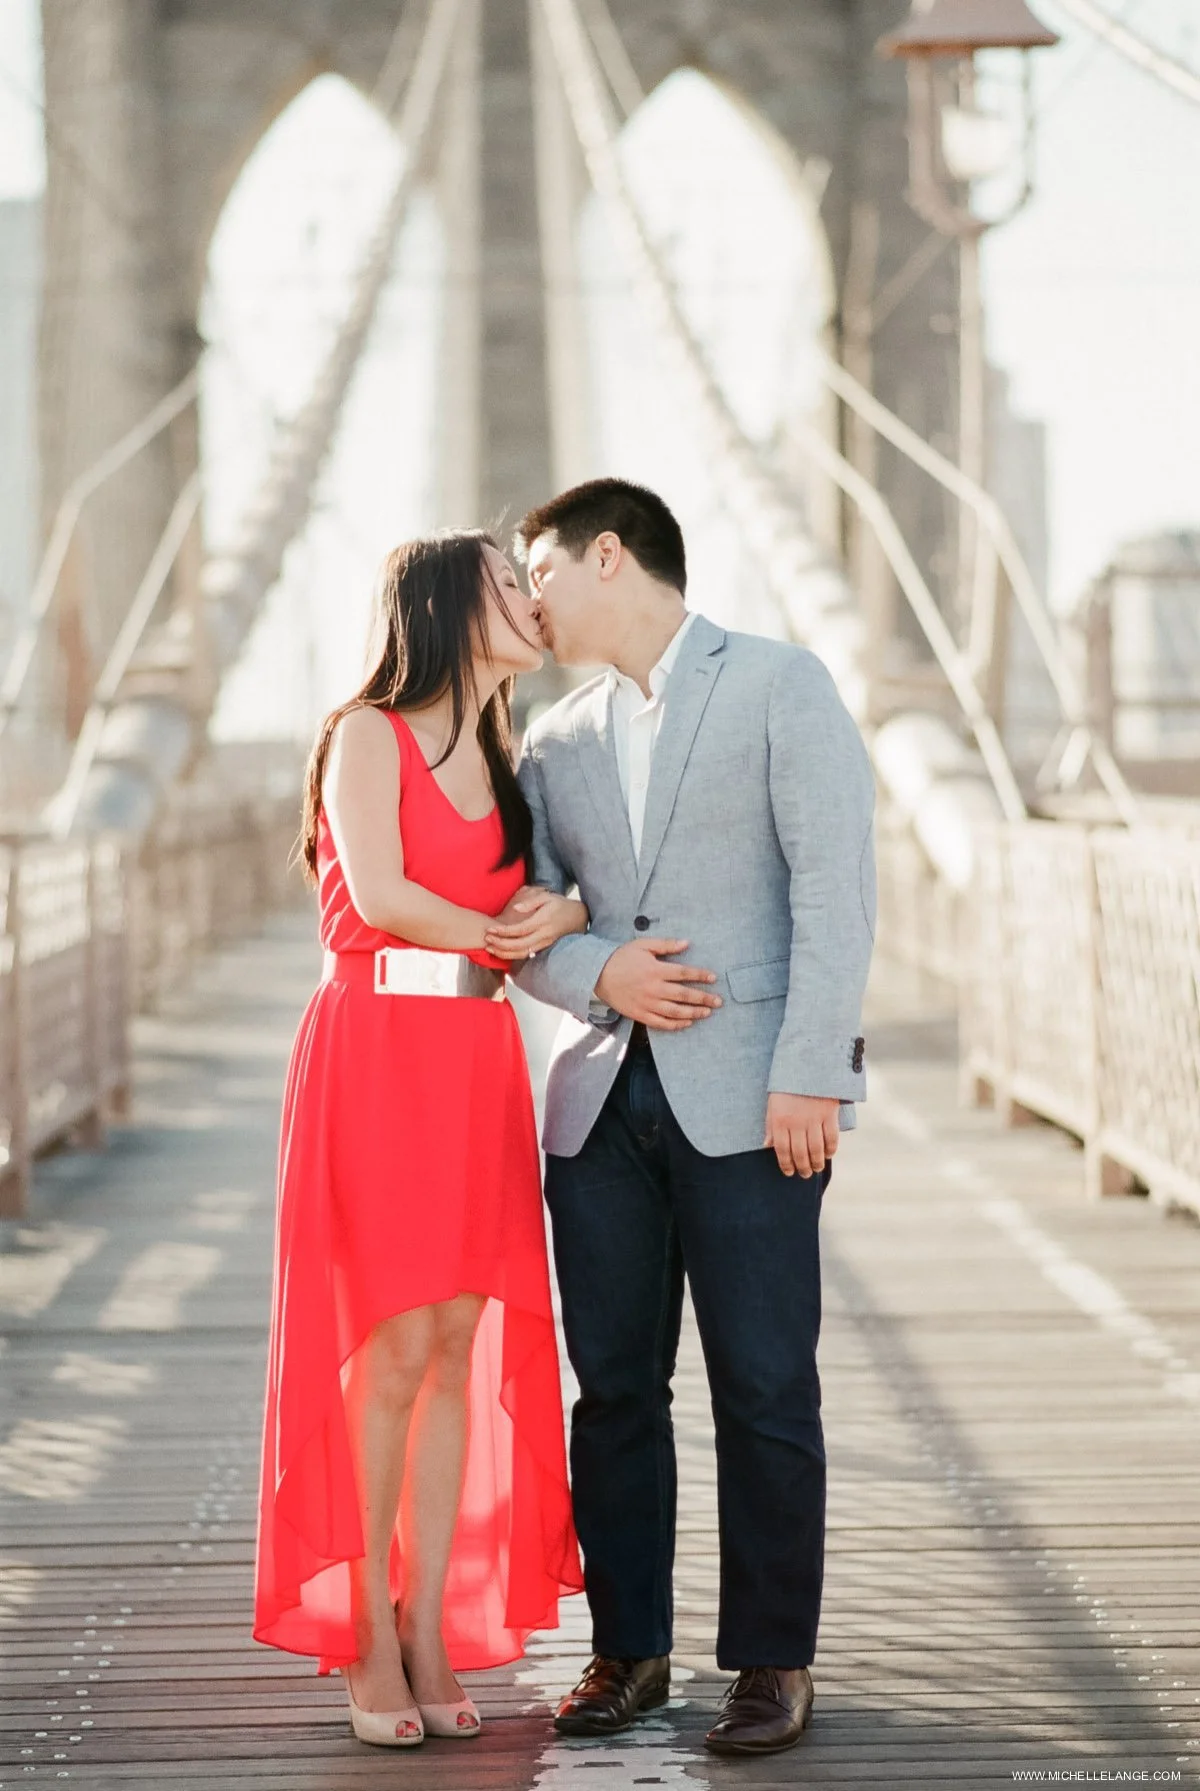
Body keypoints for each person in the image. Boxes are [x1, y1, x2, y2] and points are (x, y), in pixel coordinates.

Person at [485, 478, 875, 1758]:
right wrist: (598, 966)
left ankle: (772, 1662)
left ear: (608, 558)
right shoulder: (552, 743)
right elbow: (525, 935)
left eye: (537, 571)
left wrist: (811, 1069)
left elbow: (835, 894)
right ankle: (628, 1651)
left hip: (761, 1099)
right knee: (614, 1392)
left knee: (765, 1383)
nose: (526, 597)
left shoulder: (779, 683)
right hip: (599, 1108)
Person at [254, 530, 584, 1749]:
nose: (533, 601)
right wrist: (509, 929)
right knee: (389, 1353)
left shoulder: (515, 757)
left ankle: (431, 1618)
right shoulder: (363, 735)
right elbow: (384, 894)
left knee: (455, 1345)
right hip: (379, 1051)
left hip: (475, 1059)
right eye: (511, 584)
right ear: (449, 604)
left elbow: (561, 888)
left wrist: (568, 910)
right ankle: (370, 1641)